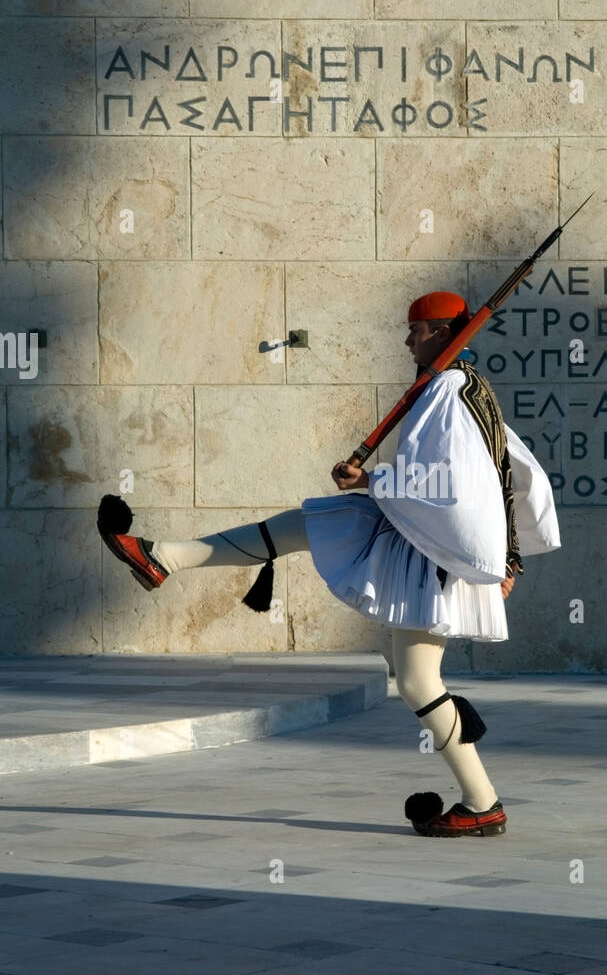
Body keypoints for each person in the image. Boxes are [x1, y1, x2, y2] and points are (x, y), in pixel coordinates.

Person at [97, 291, 560, 837]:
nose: (406, 338)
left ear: (439, 331)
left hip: (434, 554)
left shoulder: (450, 391)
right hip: (431, 542)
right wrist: (505, 556)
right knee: (317, 523)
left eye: (414, 329)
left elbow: (461, 486)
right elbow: (507, 474)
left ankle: (483, 803)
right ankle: (163, 558)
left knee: (416, 680)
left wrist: (373, 481)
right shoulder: (461, 387)